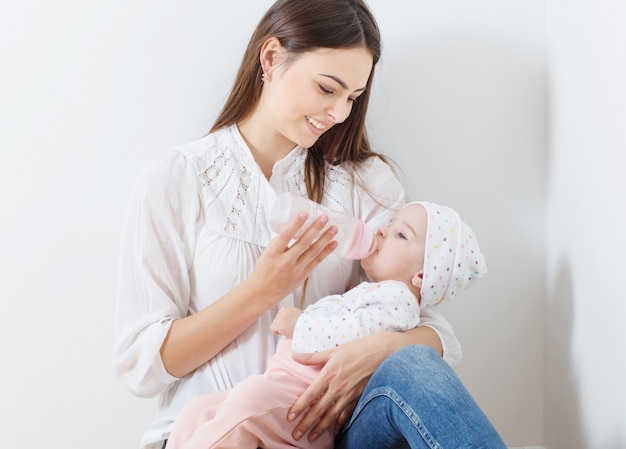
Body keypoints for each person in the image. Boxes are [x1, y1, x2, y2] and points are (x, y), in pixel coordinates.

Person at [114, 0, 508, 448]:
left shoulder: (366, 182)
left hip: (321, 432)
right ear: (271, 58)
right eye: (327, 89)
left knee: (413, 364)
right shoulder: (176, 180)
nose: (340, 113)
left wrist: (378, 350)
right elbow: (142, 365)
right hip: (212, 429)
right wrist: (260, 291)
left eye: (352, 98)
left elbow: (432, 326)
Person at [165, 201, 487, 449]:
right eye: (388, 226)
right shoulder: (374, 291)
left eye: (400, 234)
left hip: (305, 403)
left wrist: (300, 324)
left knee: (248, 404)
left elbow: (357, 332)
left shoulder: (398, 301)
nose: (380, 232)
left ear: (422, 277)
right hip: (284, 388)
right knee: (195, 412)